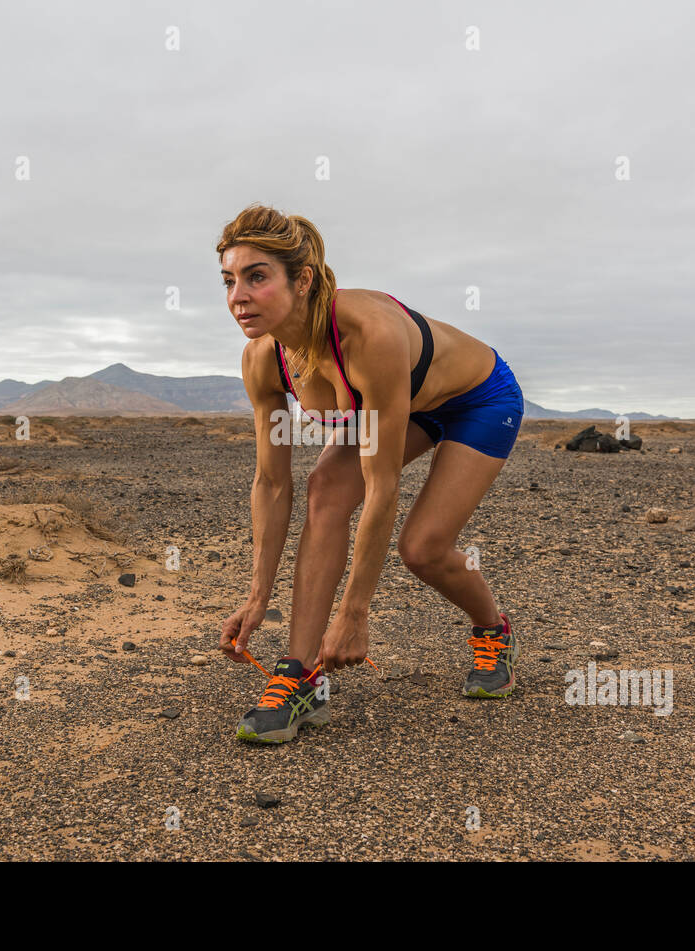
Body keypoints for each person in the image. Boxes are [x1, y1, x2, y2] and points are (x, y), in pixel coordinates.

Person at [216, 204, 525, 744]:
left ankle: (493, 631)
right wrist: (257, 595)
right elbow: (271, 482)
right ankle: (298, 676)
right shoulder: (262, 359)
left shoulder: (368, 335)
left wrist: (355, 612)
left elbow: (382, 485)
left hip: (476, 399)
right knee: (325, 488)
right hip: (397, 403)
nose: (237, 296)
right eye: (229, 280)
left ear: (302, 279)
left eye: (256, 277)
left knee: (423, 548)